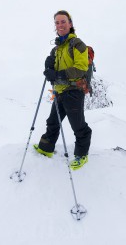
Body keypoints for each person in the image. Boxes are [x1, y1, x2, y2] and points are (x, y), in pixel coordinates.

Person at [33, 10, 92, 170]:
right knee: (52, 122)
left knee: (78, 125)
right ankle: (46, 148)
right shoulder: (57, 48)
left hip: (74, 91)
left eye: (63, 21)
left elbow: (80, 68)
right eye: (57, 22)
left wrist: (56, 74)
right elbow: (54, 70)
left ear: (70, 24)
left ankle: (81, 155)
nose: (60, 25)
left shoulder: (77, 44)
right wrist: (49, 66)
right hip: (59, 91)